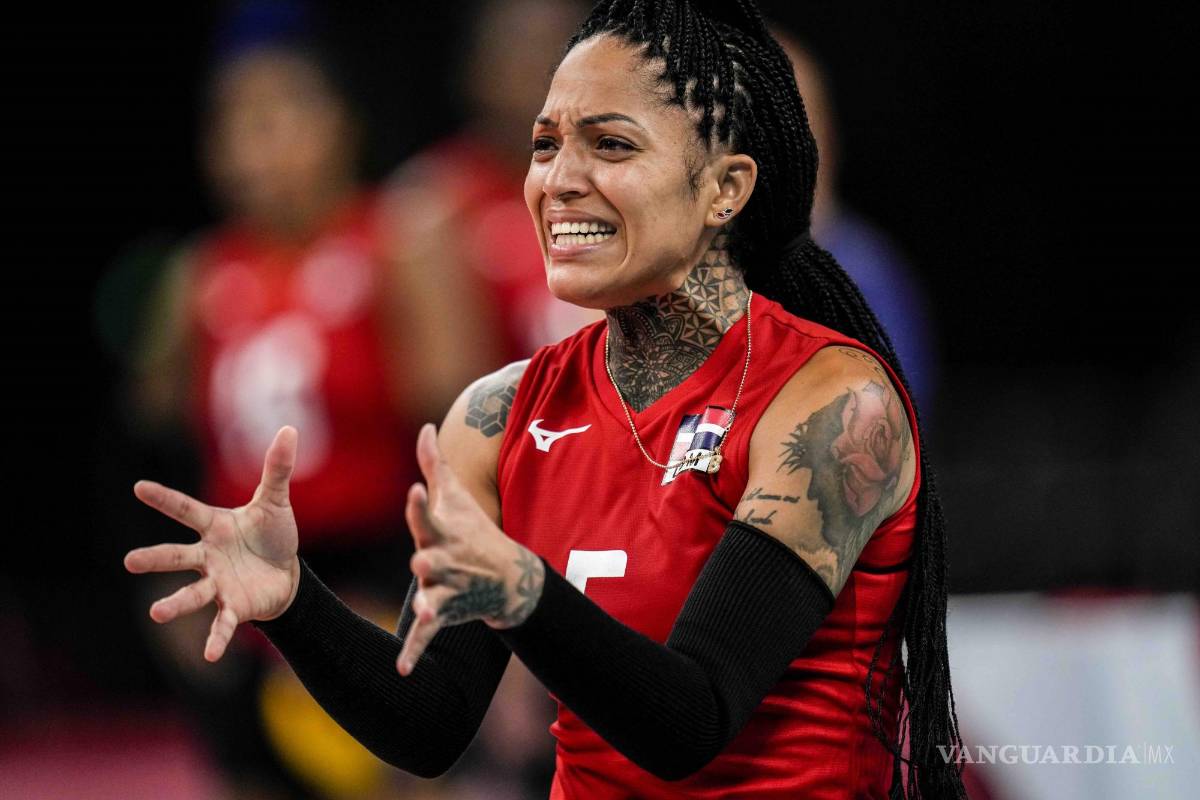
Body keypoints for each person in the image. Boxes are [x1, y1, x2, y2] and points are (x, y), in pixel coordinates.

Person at [124, 1, 969, 798]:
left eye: (610, 146)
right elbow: (430, 726)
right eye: (544, 144)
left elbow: (694, 720)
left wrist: (528, 595)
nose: (558, 181)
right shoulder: (496, 419)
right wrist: (296, 603)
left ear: (725, 188)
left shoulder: (831, 401)